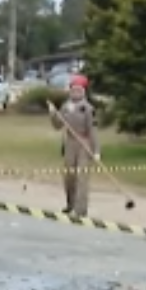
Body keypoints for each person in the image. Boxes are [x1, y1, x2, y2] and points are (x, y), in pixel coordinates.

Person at [47, 74, 100, 217]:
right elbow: (57, 126)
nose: (75, 92)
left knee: (82, 178)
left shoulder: (88, 109)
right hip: (70, 143)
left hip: (84, 144)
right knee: (69, 177)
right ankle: (70, 204)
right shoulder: (66, 106)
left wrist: (96, 151)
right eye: (73, 89)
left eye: (79, 90)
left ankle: (80, 209)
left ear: (83, 91)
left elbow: (93, 130)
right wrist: (53, 114)